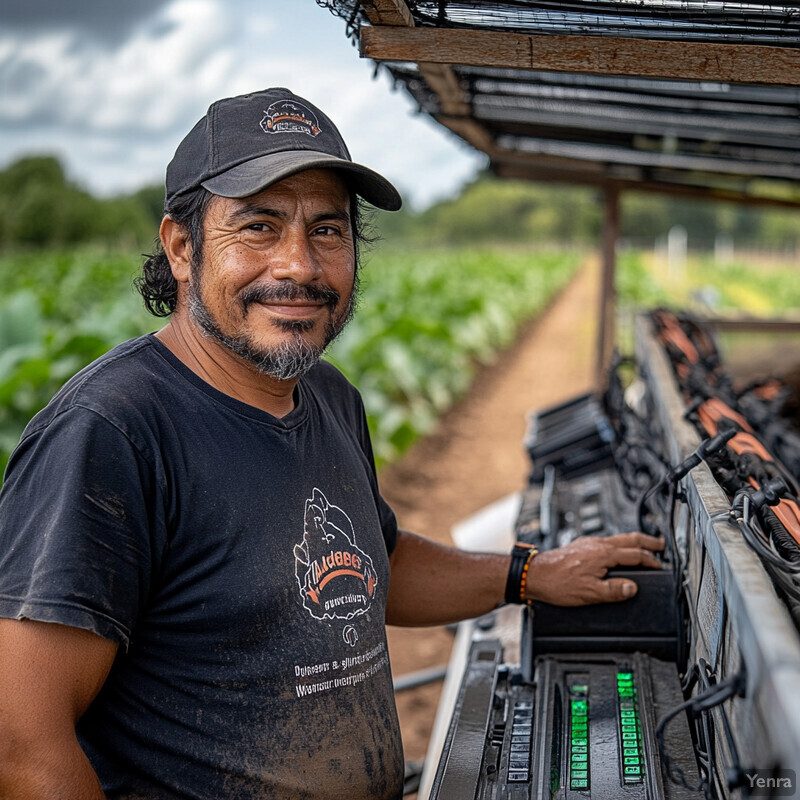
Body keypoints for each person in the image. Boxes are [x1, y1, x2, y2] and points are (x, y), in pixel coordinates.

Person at [0, 88, 663, 800]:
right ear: (182, 248)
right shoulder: (113, 432)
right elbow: (21, 743)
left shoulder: (329, 396)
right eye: (258, 227)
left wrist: (532, 575)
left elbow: (374, 568)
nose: (299, 266)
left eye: (326, 230)